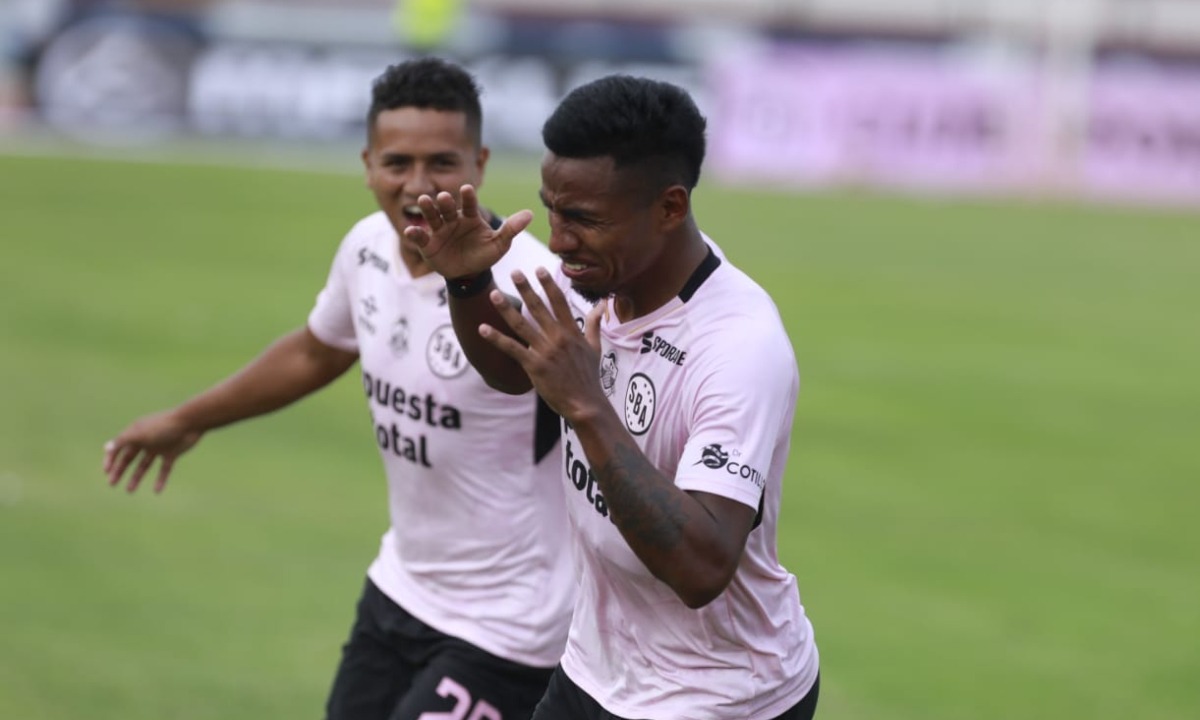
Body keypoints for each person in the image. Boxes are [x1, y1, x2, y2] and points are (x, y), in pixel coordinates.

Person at [101, 57, 575, 720]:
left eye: (442, 162)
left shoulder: (531, 281)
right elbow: (318, 349)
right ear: (367, 162)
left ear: (481, 162)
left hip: (512, 625)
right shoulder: (365, 249)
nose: (416, 186)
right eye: (396, 162)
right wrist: (189, 419)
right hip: (401, 589)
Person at [405, 75, 821, 719]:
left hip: (721, 694)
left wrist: (587, 406)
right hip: (598, 668)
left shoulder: (738, 346)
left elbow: (701, 569)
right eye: (552, 210)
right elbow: (514, 372)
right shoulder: (596, 283)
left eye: (584, 220)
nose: (561, 240)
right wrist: (467, 283)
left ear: (670, 207)